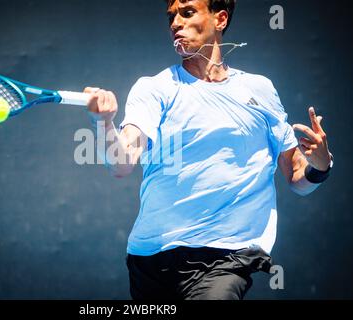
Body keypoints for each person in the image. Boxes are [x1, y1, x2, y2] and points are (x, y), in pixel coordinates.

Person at [83, 0, 333, 300]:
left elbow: (296, 176)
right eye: (171, 16)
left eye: (187, 12)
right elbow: (122, 164)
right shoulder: (153, 89)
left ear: (220, 19)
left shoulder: (260, 90)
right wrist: (104, 123)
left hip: (228, 257)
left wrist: (319, 167)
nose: (176, 23)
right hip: (151, 260)